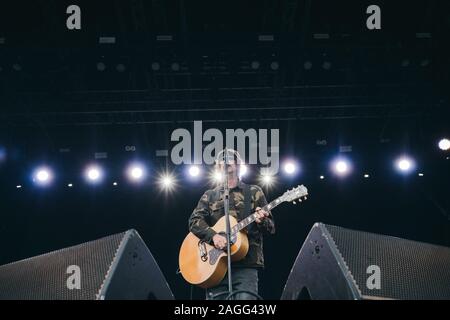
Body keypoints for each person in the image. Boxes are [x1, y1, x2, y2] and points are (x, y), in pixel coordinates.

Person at [188, 149, 275, 300]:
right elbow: (194, 221)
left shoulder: (254, 192)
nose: (226, 161)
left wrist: (262, 221)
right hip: (215, 266)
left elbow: (271, 228)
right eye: (222, 159)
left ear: (238, 164)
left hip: (246, 264)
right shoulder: (210, 195)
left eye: (230, 158)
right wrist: (213, 236)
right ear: (218, 167)